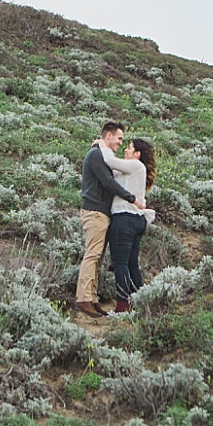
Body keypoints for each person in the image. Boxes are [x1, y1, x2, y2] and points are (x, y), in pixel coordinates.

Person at [76, 121, 145, 318]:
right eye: (119, 138)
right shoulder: (97, 154)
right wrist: (131, 198)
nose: (120, 143)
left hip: (102, 213)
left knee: (97, 256)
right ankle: (84, 298)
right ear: (108, 136)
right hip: (95, 211)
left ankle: (92, 298)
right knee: (93, 254)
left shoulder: (103, 155)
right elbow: (107, 182)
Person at [98, 136, 156, 313]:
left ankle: (123, 305)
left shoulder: (136, 165)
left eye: (129, 147)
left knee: (120, 263)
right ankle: (139, 301)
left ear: (137, 154)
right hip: (136, 220)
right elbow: (112, 172)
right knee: (131, 263)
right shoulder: (133, 170)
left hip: (124, 218)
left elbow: (110, 161)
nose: (125, 149)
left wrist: (102, 144)